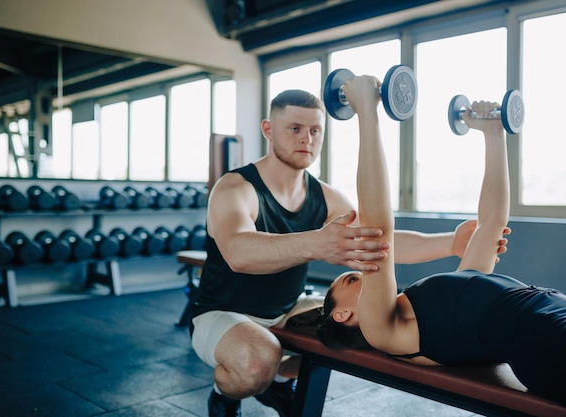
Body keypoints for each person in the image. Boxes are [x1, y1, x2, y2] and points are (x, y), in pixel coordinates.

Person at [307, 75, 566, 417]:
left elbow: (491, 222)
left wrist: (492, 133)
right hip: (556, 341)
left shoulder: (445, 300)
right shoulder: (385, 332)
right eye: (350, 279)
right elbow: (376, 227)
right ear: (343, 315)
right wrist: (367, 112)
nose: (359, 271)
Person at [190, 89, 509, 417]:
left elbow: (377, 240)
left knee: (371, 327)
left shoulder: (324, 195)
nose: (307, 139)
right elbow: (237, 253)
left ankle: (277, 381)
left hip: (288, 306)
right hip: (222, 313)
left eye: (315, 131)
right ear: (268, 130)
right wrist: (318, 242)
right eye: (295, 129)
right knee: (257, 360)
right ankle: (224, 395)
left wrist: (452, 244)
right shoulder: (235, 189)